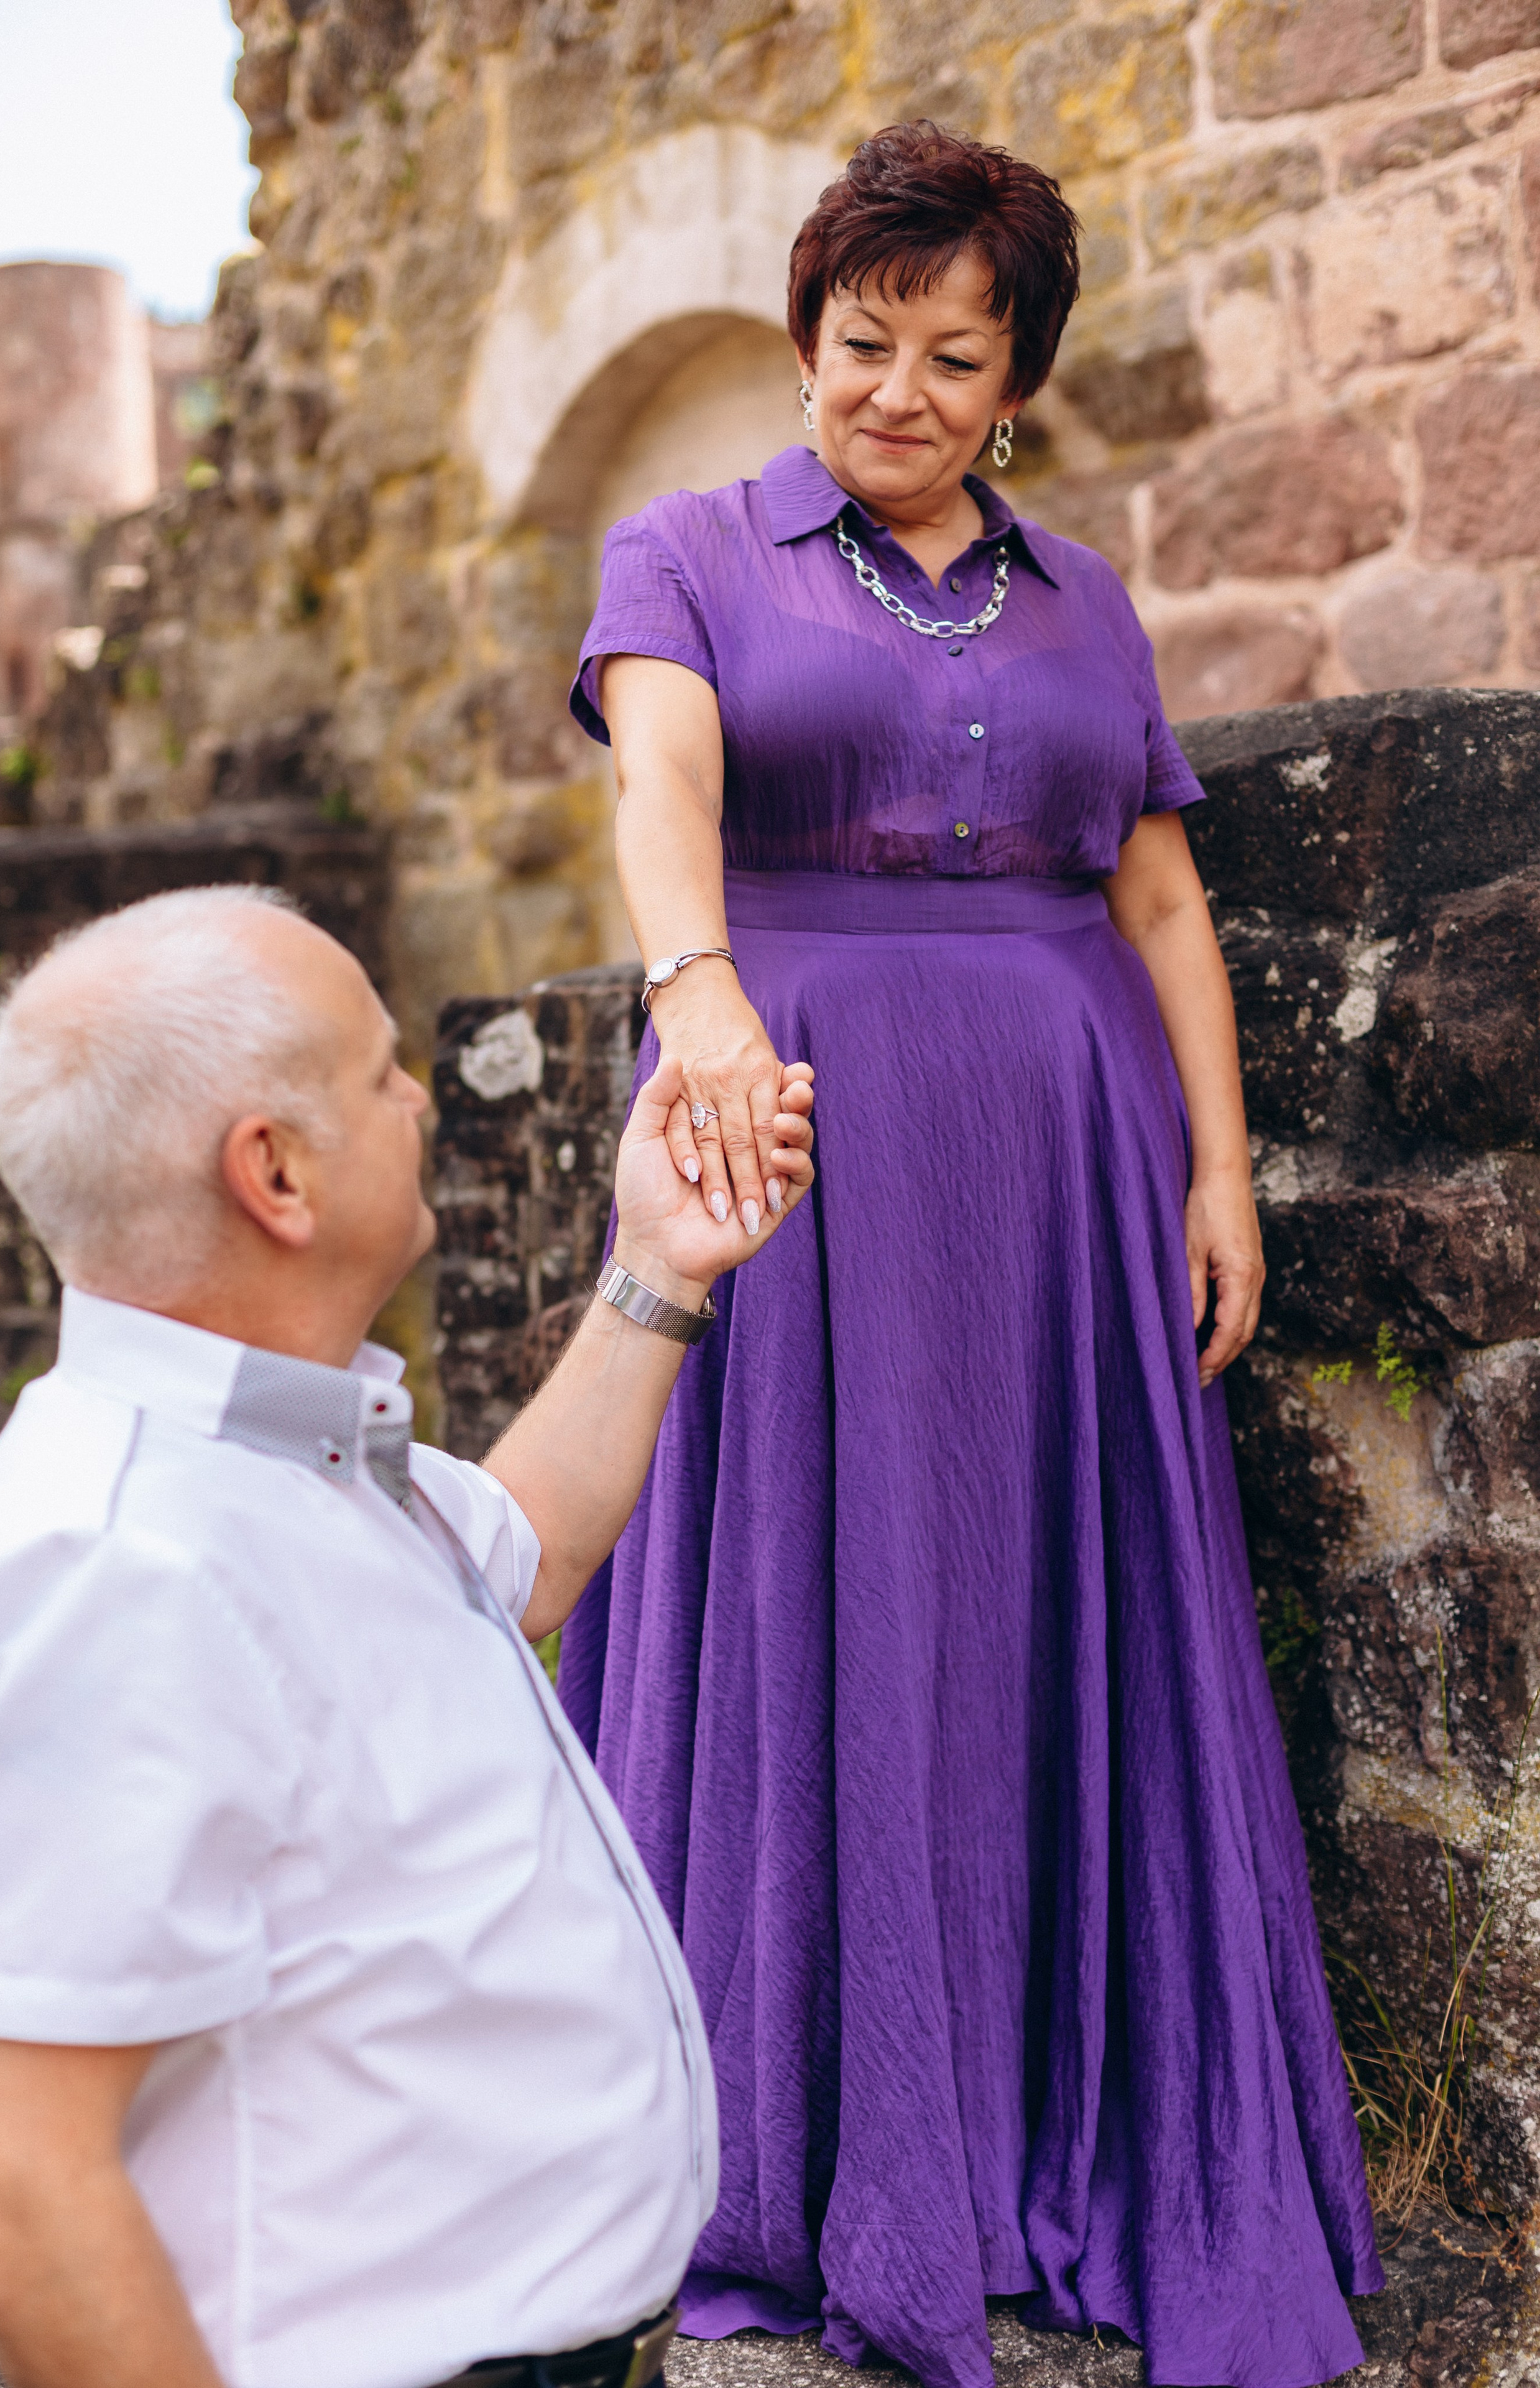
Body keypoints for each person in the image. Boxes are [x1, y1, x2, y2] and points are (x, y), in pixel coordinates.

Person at [555, 119, 1385, 2388]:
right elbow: (661, 788)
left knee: (1035, 1604)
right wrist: (695, 989)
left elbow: (1161, 899)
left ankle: (1055, 2118)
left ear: (1013, 375)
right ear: (802, 336)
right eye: (860, 343)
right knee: (816, 1599)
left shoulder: (1085, 603)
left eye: (952, 356)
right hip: (787, 1130)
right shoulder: (692, 548)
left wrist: (1220, 1174)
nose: (898, 393)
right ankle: (797, 2147)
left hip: (1062, 1158)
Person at [0, 884, 815, 2388]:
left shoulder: (294, 1450)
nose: (420, 1095)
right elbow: (10, 2171)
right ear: (272, 1173)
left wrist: (661, 1263)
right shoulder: (113, 1560)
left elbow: (524, 1551)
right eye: (378, 1070)